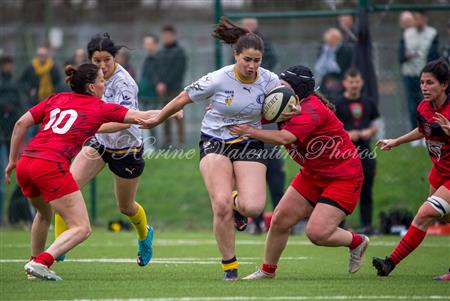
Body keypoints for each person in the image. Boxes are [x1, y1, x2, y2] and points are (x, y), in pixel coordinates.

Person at [138, 16, 282, 281]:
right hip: (214, 140)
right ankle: (230, 266)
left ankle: (239, 207)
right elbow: (183, 97)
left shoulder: (270, 80)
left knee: (253, 207)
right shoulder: (218, 78)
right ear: (235, 54)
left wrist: (292, 108)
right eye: (246, 59)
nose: (252, 66)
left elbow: (288, 100)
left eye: (257, 60)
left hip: (249, 142)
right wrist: (157, 118)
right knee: (220, 204)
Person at [5, 63, 162, 281]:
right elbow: (140, 116)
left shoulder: (56, 98)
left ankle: (34, 264)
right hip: (49, 166)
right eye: (100, 80)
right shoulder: (98, 107)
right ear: (90, 87)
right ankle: (41, 262)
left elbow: (21, 123)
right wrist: (174, 109)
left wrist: (12, 160)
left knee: (43, 213)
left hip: (26, 162)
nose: (103, 83)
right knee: (82, 228)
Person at [228, 65, 369, 280]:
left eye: (282, 85)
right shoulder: (285, 102)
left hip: (343, 177)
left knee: (317, 233)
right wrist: (222, 108)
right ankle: (267, 271)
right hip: (312, 174)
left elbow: (285, 138)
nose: (277, 88)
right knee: (280, 220)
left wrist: (249, 131)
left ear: (297, 90)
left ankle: (357, 242)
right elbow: (253, 112)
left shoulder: (312, 109)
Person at [54, 34, 180, 266]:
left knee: (126, 207)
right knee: (65, 189)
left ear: (115, 57)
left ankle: (145, 235)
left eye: (107, 60)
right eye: (97, 60)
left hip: (126, 148)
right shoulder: (88, 79)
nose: (102, 66)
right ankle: (59, 244)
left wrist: (90, 125)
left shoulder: (125, 83)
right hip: (99, 143)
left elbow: (126, 120)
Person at [372, 58, 450, 279]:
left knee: (424, 214)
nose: (424, 87)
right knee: (444, 218)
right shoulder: (423, 107)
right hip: (439, 173)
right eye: (422, 82)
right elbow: (422, 129)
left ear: (444, 85)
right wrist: (396, 141)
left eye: (430, 83)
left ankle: (390, 263)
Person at [335, 68, 380, 235]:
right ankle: (340, 224)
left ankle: (367, 224)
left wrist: (369, 131)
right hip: (344, 154)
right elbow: (331, 128)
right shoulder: (338, 104)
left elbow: (376, 124)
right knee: (341, 190)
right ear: (345, 83)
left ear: (361, 82)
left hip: (365, 152)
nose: (354, 85)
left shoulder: (369, 102)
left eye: (357, 81)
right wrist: (346, 134)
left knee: (367, 189)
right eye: (351, 81)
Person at [399, 11, 439, 136]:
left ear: (425, 19)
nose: (419, 21)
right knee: (412, 105)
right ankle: (414, 132)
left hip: (426, 76)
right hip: (410, 75)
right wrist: (406, 56)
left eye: (421, 18)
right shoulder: (406, 34)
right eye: (416, 18)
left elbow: (434, 55)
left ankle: (427, 131)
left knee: (426, 104)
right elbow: (400, 56)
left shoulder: (432, 33)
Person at [154, 25, 187, 147]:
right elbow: (156, 70)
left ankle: (181, 142)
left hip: (176, 90)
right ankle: (167, 143)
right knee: (164, 115)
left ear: (174, 36)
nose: (166, 38)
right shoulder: (160, 53)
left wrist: (165, 83)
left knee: (179, 116)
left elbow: (178, 71)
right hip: (163, 91)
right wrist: (159, 83)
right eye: (164, 36)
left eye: (168, 36)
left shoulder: (179, 52)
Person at [0, 55, 23, 225]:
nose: (9, 67)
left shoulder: (13, 83)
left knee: (3, 183)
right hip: (3, 136)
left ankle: (3, 218)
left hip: (7, 136)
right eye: (6, 64)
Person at [314, 28, 353, 101]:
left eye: (333, 42)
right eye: (329, 42)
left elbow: (340, 68)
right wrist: (326, 54)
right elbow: (319, 68)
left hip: (340, 81)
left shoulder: (345, 51)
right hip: (326, 82)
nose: (330, 44)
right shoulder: (324, 50)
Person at [139, 34, 159, 105]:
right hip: (145, 95)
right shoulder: (146, 60)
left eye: (150, 44)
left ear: (156, 45)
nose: (147, 46)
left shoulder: (161, 59)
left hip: (156, 96)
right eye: (146, 44)